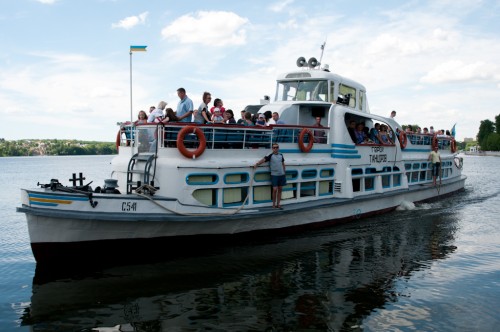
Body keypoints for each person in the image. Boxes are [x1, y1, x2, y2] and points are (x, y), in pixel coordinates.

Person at [254, 144, 286, 209]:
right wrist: (257, 164)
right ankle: (273, 204)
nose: (275, 148)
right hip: (274, 175)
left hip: (281, 175)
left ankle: (278, 204)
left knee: (280, 189)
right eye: (274, 147)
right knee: (275, 189)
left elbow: (283, 164)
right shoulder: (270, 155)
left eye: (277, 147)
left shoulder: (281, 155)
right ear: (272, 148)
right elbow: (264, 160)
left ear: (278, 148)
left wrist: (284, 172)